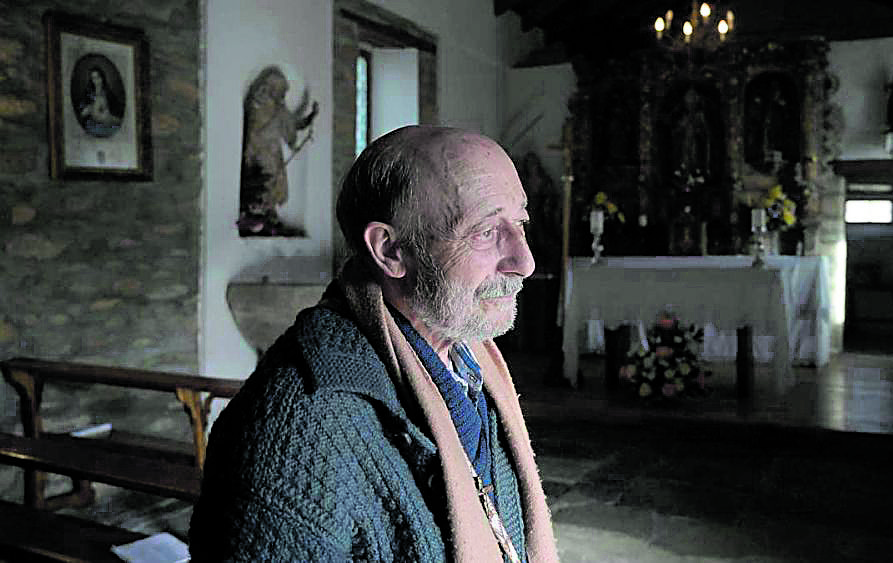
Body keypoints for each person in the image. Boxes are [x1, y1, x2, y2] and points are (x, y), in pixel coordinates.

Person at [189, 125, 560, 562]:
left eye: (520, 223)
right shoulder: (297, 434)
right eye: (485, 232)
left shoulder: (470, 359)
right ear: (390, 251)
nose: (524, 261)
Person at [238, 66, 319, 236]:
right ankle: (258, 216)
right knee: (263, 182)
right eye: (281, 91)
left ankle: (269, 215)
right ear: (272, 87)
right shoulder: (257, 104)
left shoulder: (278, 107)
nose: (282, 95)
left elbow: (293, 124)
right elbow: (256, 131)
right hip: (258, 153)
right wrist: (277, 119)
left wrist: (311, 116)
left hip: (274, 153)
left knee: (276, 186)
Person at [77, 66, 122, 137]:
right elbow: (82, 111)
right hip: (93, 124)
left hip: (109, 122)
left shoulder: (108, 93)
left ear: (102, 78)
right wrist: (88, 109)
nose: (96, 80)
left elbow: (116, 109)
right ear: (91, 80)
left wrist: (109, 114)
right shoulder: (88, 93)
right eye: (93, 78)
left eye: (98, 77)